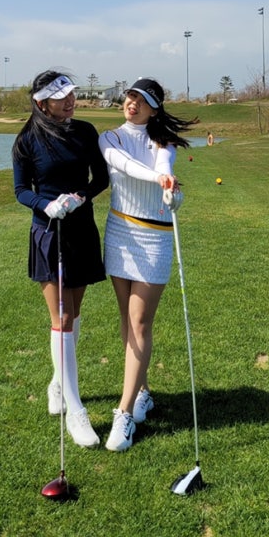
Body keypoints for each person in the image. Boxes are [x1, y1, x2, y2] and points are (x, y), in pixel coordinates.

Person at [12, 70, 109, 448]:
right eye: (60, 97)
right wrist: (46, 204)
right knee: (63, 318)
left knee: (75, 313)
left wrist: (81, 197)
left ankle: (57, 383)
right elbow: (21, 190)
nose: (70, 101)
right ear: (41, 103)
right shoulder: (27, 140)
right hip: (49, 232)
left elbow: (100, 178)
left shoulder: (85, 131)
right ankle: (76, 410)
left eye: (71, 94)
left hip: (81, 228)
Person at [99, 77, 193, 452]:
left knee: (139, 322)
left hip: (154, 237)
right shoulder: (110, 138)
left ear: (155, 109)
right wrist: (159, 178)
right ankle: (143, 392)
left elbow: (163, 163)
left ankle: (123, 414)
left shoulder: (162, 142)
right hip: (120, 233)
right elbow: (122, 165)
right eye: (130, 96)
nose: (132, 103)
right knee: (126, 320)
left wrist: (171, 192)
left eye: (142, 100)